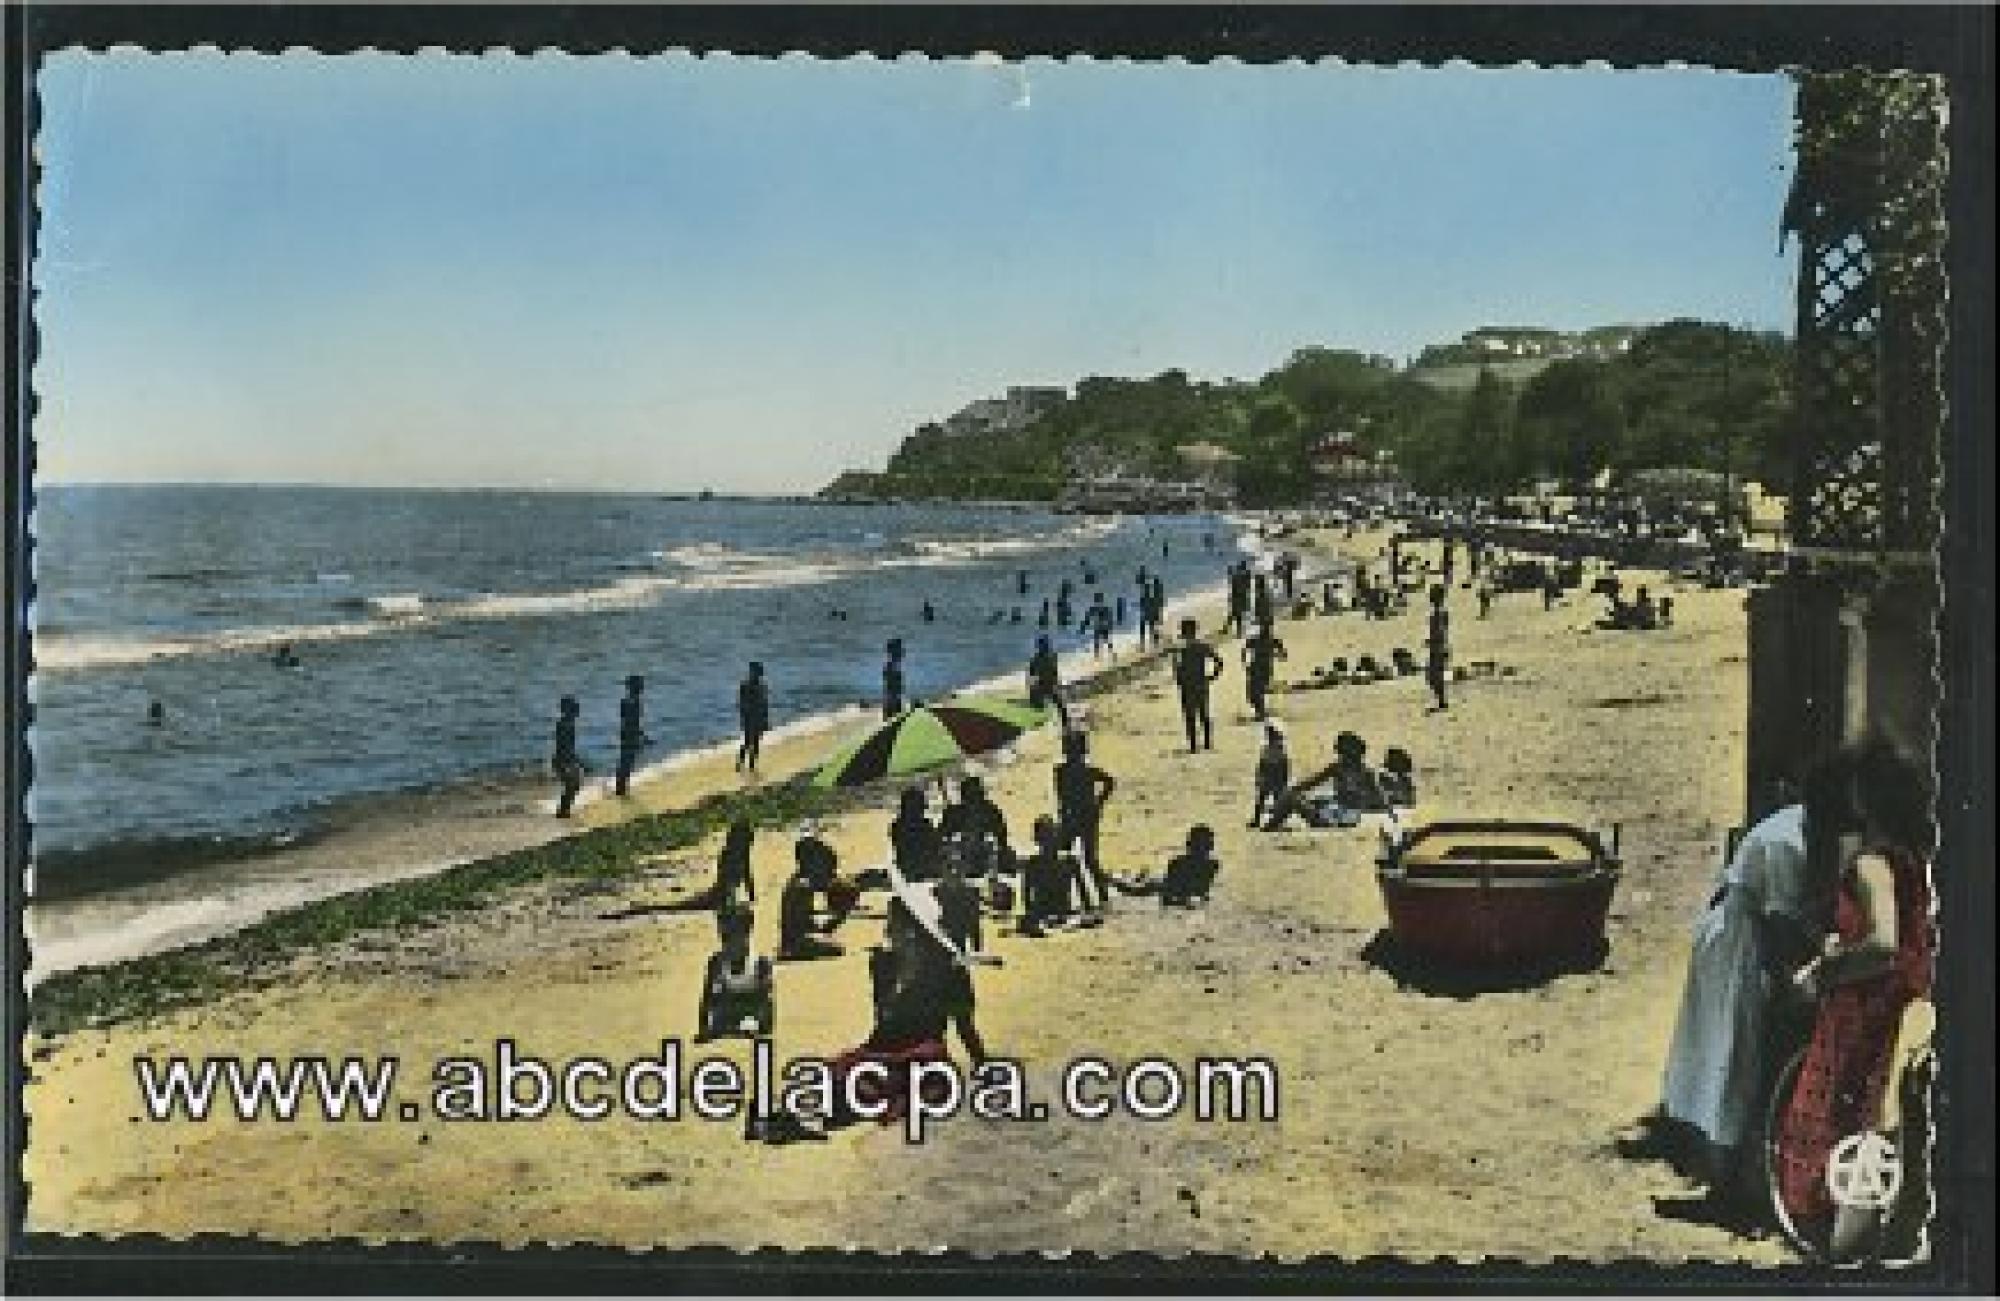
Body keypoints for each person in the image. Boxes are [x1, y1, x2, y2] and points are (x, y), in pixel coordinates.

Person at [1623, 766, 1834, 1210]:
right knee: (1732, 1052)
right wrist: (1799, 974)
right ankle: (1722, 1182)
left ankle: (1720, 1163)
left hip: (1749, 934)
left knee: (1729, 1049)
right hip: (1738, 940)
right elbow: (1780, 923)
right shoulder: (1786, 842)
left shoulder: (1807, 834)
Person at [1773, 739, 1935, 1261]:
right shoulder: (1915, 861)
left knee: (1837, 1115)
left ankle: (1840, 1234)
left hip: (1866, 1006)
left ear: (1865, 800)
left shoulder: (1870, 865)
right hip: (1908, 999)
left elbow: (1884, 944)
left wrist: (1825, 969)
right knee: (1881, 1115)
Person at [1262, 731, 1386, 830]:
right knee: (1302, 799)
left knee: (1294, 799)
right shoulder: (1363, 772)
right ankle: (1274, 821)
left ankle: (1272, 825)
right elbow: (1379, 800)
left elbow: (1310, 784)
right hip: (1346, 815)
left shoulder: (1345, 769)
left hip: (1339, 814)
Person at [1054, 730, 1116, 913]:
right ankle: (1097, 895)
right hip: (1084, 817)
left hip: (1077, 817)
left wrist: (1098, 803)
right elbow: (1109, 782)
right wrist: (1099, 803)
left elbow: (1061, 798)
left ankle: (1092, 896)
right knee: (1083, 859)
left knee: (1079, 859)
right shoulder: (1084, 771)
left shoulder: (1063, 772)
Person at [695, 904, 774, 1042]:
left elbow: (767, 1005)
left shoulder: (760, 963)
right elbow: (706, 1001)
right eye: (725, 938)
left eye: (734, 937)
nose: (729, 944)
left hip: (750, 1013)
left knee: (749, 1022)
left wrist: (762, 1026)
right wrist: (703, 1030)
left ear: (746, 936)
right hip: (726, 1015)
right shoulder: (716, 962)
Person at [778, 834, 856, 961]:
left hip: (795, 941)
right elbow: (802, 929)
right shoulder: (802, 887)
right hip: (796, 944)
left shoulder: (800, 883)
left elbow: (810, 924)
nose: (830, 875)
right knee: (837, 949)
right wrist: (838, 915)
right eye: (828, 870)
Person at [1111, 825, 1220, 908]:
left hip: (1164, 887)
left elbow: (1201, 890)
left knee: (1141, 886)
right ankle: (1118, 882)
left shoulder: (1209, 865)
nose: (1201, 849)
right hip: (1161, 887)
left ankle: (1123, 881)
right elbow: (1201, 889)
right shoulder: (1210, 865)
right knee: (1136, 888)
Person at [1018, 815, 1083, 937]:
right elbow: (1025, 896)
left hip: (1059, 911)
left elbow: (1025, 897)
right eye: (1046, 837)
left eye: (1049, 836)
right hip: (1048, 911)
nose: (1049, 841)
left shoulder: (1067, 862)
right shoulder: (1033, 865)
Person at [940, 774, 1012, 877]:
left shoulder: (958, 810)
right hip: (978, 853)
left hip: (969, 853)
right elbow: (1001, 833)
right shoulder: (989, 810)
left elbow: (944, 833)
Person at [1171, 618, 1226, 753]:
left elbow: (1176, 668)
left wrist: (1179, 681)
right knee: (1204, 713)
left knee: (1190, 715)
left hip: (1187, 685)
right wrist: (1212, 676)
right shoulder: (1202, 646)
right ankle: (1207, 743)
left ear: (1183, 631)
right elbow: (1219, 662)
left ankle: (1193, 745)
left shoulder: (1181, 649)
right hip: (1201, 683)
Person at [890, 786, 944, 882]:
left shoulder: (897, 825)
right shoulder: (924, 824)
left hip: (907, 870)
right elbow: (934, 844)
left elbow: (896, 843)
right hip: (923, 869)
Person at [1242, 619, 1288, 721]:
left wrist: (1245, 662)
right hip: (1262, 668)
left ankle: (1260, 712)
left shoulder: (1260, 640)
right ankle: (1260, 711)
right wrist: (1275, 655)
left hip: (1259, 668)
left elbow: (1245, 650)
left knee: (1255, 691)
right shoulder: (1270, 640)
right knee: (1257, 691)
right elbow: (1283, 655)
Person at [1025, 635, 1071, 729]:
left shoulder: (1035, 659)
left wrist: (1031, 687)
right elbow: (1055, 672)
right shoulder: (1053, 656)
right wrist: (1058, 683)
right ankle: (1064, 722)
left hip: (1042, 685)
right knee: (1061, 705)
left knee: (1035, 697)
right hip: (1052, 684)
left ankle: (1040, 715)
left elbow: (1031, 675)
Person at [551, 695, 586, 818]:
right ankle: (563, 811)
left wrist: (576, 760)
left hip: (565, 758)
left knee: (573, 785)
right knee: (572, 785)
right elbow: (563, 746)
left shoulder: (567, 724)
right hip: (563, 759)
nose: (578, 711)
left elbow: (567, 746)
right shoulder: (565, 725)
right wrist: (570, 761)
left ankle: (564, 810)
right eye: (575, 709)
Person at [1251, 722, 1291, 828]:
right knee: (1271, 801)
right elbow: (1284, 765)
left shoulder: (1272, 750)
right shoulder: (1275, 749)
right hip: (1274, 777)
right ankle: (1272, 821)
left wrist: (1259, 777)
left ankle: (1262, 821)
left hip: (1272, 776)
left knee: (1265, 801)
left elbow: (1263, 765)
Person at [615, 675, 649, 796]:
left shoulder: (626, 701)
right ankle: (621, 789)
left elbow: (629, 721)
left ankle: (621, 788)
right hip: (630, 735)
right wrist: (638, 736)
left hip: (626, 734)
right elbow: (633, 722)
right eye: (640, 685)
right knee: (627, 763)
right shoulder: (634, 702)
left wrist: (640, 735)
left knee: (625, 762)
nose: (642, 687)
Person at [736, 662, 770, 774]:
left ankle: (751, 766)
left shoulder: (761, 686)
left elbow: (764, 704)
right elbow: (742, 704)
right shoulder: (746, 686)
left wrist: (765, 720)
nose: (757, 675)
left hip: (757, 718)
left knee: (755, 743)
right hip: (750, 717)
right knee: (748, 742)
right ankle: (740, 763)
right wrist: (744, 718)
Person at [1424, 585, 1451, 712]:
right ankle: (1441, 701)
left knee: (1433, 676)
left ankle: (1442, 701)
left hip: (1437, 647)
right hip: (1439, 646)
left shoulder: (1437, 614)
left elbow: (1439, 631)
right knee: (1436, 675)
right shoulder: (1441, 613)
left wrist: (1434, 642)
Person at [882, 639, 906, 720]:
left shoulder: (890, 664)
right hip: (893, 678)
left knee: (892, 694)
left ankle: (891, 713)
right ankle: (892, 713)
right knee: (894, 694)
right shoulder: (892, 664)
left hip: (892, 678)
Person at [1224, 563, 1251, 636]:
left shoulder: (1237, 578)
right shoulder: (1245, 579)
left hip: (1236, 600)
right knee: (1237, 617)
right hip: (1240, 600)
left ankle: (1227, 630)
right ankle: (1237, 632)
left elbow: (1233, 587)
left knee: (1233, 616)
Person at [1087, 593, 1114, 658]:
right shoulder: (1103, 608)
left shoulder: (1094, 608)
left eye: (1098, 599)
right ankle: (1108, 653)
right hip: (1101, 626)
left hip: (1101, 626)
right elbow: (1109, 617)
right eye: (1098, 599)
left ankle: (1099, 656)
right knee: (1104, 641)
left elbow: (1088, 617)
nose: (1098, 601)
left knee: (1103, 641)